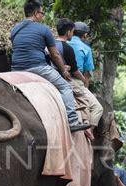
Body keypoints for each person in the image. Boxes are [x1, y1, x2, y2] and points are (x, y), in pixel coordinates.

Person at [10, 1, 89, 132]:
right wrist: (63, 70)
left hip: (15, 69)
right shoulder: (43, 29)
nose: (42, 16)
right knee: (66, 87)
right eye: (42, 13)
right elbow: (55, 54)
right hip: (37, 67)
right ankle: (73, 121)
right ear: (36, 13)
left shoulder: (15, 29)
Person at [55, 18, 103, 139]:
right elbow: (84, 73)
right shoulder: (85, 48)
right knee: (97, 108)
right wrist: (84, 82)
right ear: (85, 35)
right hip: (74, 79)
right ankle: (89, 130)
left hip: (55, 76)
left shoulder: (56, 43)